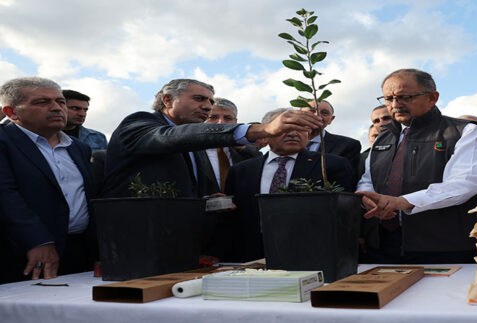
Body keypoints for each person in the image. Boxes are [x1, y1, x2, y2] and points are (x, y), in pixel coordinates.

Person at [103, 79, 322, 199]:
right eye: (199, 99)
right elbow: (170, 138)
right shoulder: (138, 124)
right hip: (135, 234)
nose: (207, 107)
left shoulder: (194, 145)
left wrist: (206, 200)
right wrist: (261, 129)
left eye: (209, 101)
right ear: (168, 100)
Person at [357, 68, 477, 264]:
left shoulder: (463, 131)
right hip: (384, 246)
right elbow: (368, 179)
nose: (395, 105)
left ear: (432, 98)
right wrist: (368, 199)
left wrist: (402, 202)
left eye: (404, 97)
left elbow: (465, 183)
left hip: (444, 247)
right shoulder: (381, 140)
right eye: (388, 99)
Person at [221, 108, 356, 261]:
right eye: (285, 129)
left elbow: (345, 215)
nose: (293, 134)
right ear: (265, 134)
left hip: (312, 255)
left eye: (300, 128)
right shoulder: (240, 171)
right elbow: (231, 220)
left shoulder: (331, 165)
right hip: (251, 257)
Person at [0, 77, 95, 283]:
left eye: (60, 102)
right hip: (24, 256)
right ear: (11, 112)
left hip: (79, 253)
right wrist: (38, 241)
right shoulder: (4, 142)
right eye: (42, 102)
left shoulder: (79, 148)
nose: (56, 108)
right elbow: (5, 196)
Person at [200, 97, 262, 193]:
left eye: (227, 118)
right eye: (213, 117)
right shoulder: (190, 150)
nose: (221, 122)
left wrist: (242, 148)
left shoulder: (245, 152)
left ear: (235, 122)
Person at [301, 101, 362, 176]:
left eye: (324, 113)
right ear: (299, 114)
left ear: (331, 119)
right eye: (312, 111)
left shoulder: (347, 146)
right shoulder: (286, 141)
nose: (317, 115)